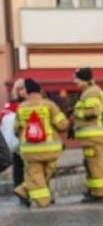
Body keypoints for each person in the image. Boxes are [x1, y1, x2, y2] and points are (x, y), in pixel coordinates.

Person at [12, 79, 70, 209]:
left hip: (29, 150)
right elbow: (62, 124)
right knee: (44, 173)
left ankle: (23, 190)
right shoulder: (49, 105)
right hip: (50, 148)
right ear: (40, 91)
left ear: (27, 91)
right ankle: (43, 201)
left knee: (35, 174)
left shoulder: (21, 107)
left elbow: (16, 129)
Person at [72, 68, 103, 201]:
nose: (74, 81)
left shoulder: (91, 92)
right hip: (91, 136)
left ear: (83, 79)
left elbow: (92, 112)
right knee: (91, 163)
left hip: (92, 136)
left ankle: (99, 193)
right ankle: (93, 190)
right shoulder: (89, 91)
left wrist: (77, 114)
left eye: (76, 78)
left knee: (94, 164)